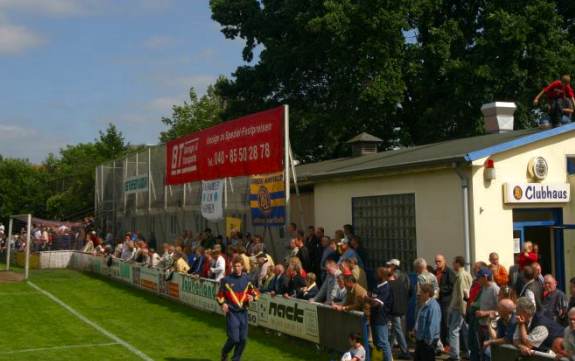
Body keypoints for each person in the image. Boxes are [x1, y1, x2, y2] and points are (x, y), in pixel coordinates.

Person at [216, 256, 259, 361]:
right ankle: (224, 352)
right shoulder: (226, 280)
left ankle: (236, 359)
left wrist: (252, 297)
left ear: (242, 266)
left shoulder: (247, 280)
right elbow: (219, 295)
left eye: (239, 266)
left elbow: (256, 293)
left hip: (243, 312)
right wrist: (223, 304)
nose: (236, 268)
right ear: (232, 266)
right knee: (234, 339)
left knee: (243, 339)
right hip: (232, 313)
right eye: (235, 266)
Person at [447, 256, 473, 361]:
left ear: (458, 264)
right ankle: (469, 352)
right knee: (465, 330)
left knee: (453, 331)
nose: (452, 265)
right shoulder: (466, 274)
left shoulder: (461, 276)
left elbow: (463, 294)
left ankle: (455, 355)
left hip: (459, 308)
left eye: (454, 263)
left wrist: (463, 311)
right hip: (462, 307)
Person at [366, 267, 393, 361]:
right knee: (376, 343)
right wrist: (369, 298)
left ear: (382, 275)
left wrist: (367, 298)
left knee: (383, 343)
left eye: (376, 273)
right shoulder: (376, 285)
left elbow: (376, 303)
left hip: (381, 319)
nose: (374, 275)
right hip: (374, 318)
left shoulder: (386, 288)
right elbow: (370, 297)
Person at [387, 259, 411, 360]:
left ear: (393, 266)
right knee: (395, 329)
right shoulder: (405, 276)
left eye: (389, 265)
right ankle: (389, 348)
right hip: (403, 306)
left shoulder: (393, 278)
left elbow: (391, 295)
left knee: (397, 329)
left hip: (395, 308)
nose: (388, 267)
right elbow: (410, 290)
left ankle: (405, 351)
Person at [474, 267, 500, 359]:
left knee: (488, 353)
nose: (477, 280)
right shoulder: (484, 288)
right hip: (482, 325)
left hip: (491, 327)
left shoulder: (495, 289)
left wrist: (485, 313)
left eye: (479, 278)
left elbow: (500, 310)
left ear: (485, 277)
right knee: (482, 352)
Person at [414, 283, 442, 361]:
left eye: (421, 292)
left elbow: (432, 325)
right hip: (421, 340)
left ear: (427, 294)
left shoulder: (433, 307)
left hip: (427, 342)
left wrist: (428, 341)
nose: (419, 294)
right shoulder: (424, 305)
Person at [435, 253, 456, 351]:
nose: (437, 263)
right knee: (439, 321)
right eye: (436, 261)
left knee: (446, 322)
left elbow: (452, 286)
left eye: (439, 261)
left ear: (444, 262)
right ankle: (441, 343)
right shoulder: (436, 272)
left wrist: (440, 290)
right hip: (437, 299)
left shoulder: (449, 272)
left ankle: (447, 344)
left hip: (446, 300)